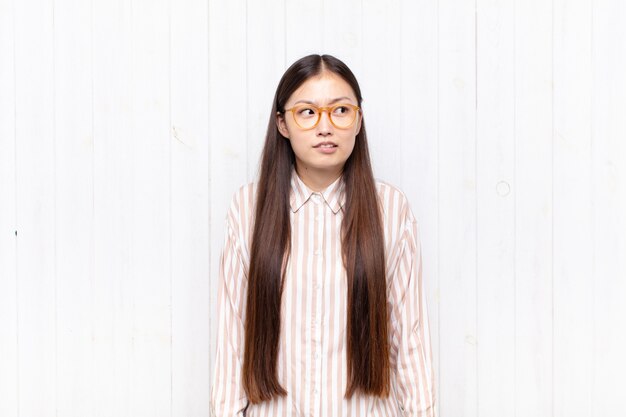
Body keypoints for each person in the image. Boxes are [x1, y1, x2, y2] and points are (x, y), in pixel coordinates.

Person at [210, 54, 436, 417]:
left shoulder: (390, 209)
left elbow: (409, 341)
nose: (325, 127)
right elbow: (232, 341)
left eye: (340, 110)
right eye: (308, 112)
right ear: (283, 123)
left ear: (358, 121)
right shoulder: (248, 208)